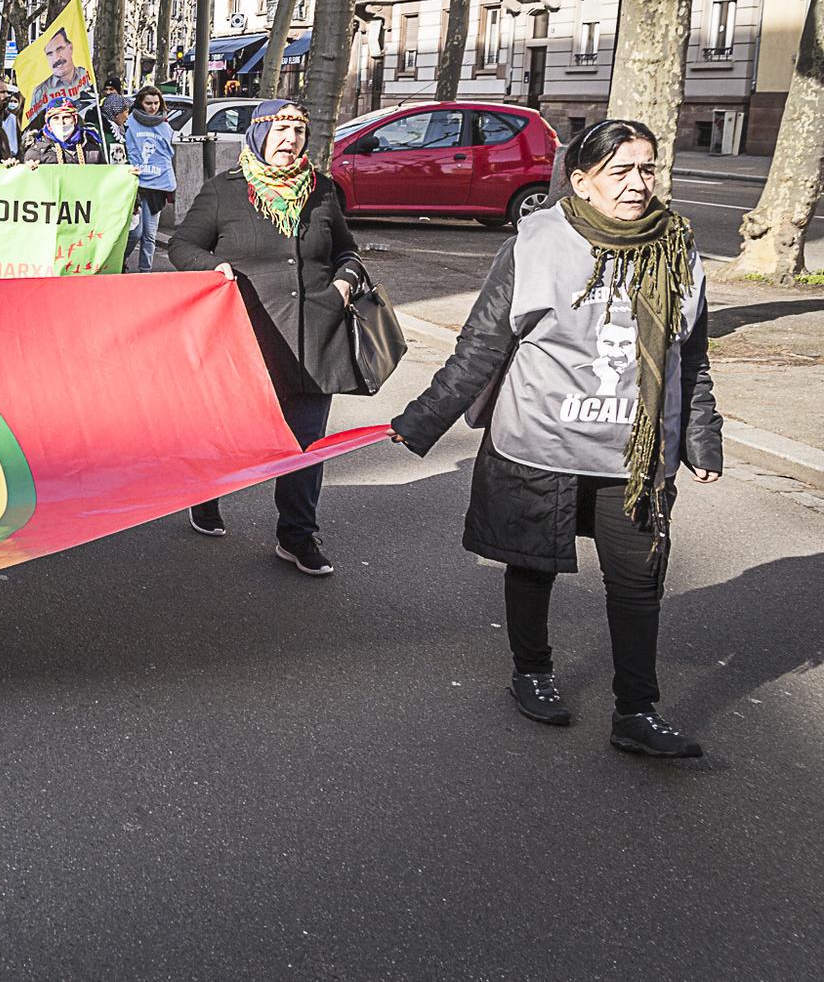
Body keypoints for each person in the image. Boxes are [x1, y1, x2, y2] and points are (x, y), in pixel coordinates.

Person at [390, 119, 721, 759]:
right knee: (533, 564)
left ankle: (636, 711)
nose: (637, 184)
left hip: (633, 452)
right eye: (619, 171)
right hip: (541, 439)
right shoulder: (538, 239)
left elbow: (692, 356)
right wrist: (425, 418)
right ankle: (532, 672)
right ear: (581, 180)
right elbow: (485, 342)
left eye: (646, 169)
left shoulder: (678, 247)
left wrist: (700, 437)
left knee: (637, 580)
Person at [167, 100, 366, 574]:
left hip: (314, 336)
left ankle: (297, 535)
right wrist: (213, 268)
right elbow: (181, 245)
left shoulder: (320, 190)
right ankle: (206, 494)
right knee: (228, 430)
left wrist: (345, 281)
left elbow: (347, 250)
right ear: (257, 134)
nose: (290, 139)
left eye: (298, 131)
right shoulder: (225, 191)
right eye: (280, 129)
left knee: (306, 443)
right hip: (246, 338)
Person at [119, 87, 178, 274]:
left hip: (157, 186)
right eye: (148, 103)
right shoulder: (129, 123)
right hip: (135, 185)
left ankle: (145, 272)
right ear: (140, 103)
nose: (153, 107)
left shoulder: (165, 126)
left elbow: (168, 154)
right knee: (134, 233)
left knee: (150, 235)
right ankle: (119, 263)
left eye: (156, 103)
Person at [21, 97, 108, 164]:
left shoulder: (92, 149)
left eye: (66, 117)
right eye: (55, 118)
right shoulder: (37, 152)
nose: (61, 122)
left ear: (75, 120)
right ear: (48, 123)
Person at [27, 28, 93, 114]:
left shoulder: (86, 75)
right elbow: (35, 124)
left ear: (71, 47)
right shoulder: (40, 92)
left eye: (60, 49)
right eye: (50, 54)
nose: (56, 58)